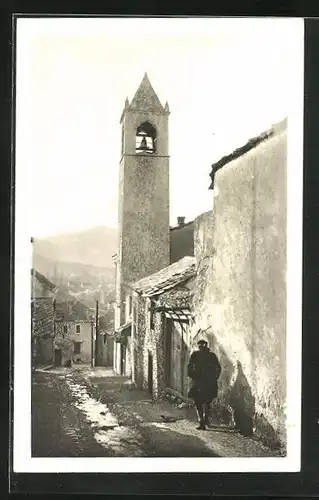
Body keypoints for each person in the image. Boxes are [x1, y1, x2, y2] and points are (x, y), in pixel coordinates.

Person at [188, 338, 221, 430]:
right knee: (200, 402)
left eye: (203, 345)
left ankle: (204, 420)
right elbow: (189, 366)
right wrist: (193, 375)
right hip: (200, 382)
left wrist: (214, 378)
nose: (201, 347)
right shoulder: (195, 355)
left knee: (205, 402)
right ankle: (202, 421)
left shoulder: (211, 356)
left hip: (206, 383)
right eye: (200, 345)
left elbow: (218, 368)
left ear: (206, 346)